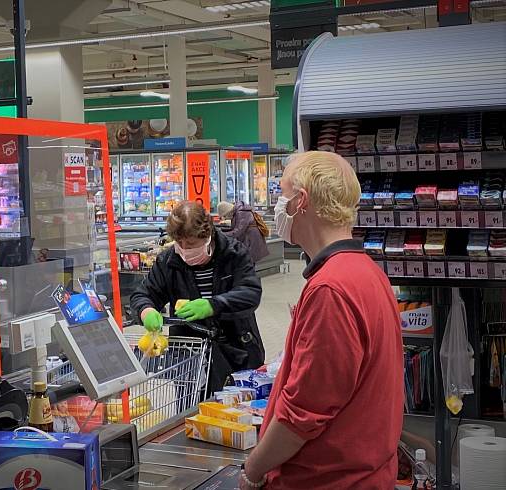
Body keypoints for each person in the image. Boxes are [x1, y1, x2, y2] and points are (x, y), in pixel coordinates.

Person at [240, 151, 403, 490]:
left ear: (301, 201)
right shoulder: (366, 272)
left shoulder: (331, 288)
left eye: (280, 194)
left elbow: (302, 416)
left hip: (326, 480)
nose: (275, 205)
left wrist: (252, 471)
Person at [130, 201, 264, 395]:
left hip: (236, 351)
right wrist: (146, 311)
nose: (184, 249)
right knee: (192, 414)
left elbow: (250, 292)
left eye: (191, 244)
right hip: (190, 358)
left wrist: (214, 305)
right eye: (179, 243)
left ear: (207, 234)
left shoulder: (234, 254)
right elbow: (143, 294)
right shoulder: (168, 261)